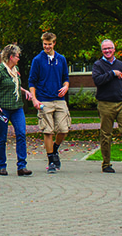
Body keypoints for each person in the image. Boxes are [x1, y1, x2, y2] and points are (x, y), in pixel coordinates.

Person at [92, 39, 122, 174]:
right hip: (105, 104)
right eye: (104, 49)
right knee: (106, 135)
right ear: (102, 51)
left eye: (110, 48)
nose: (107, 51)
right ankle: (106, 164)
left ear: (114, 49)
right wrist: (112, 73)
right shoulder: (98, 65)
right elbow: (97, 81)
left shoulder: (121, 65)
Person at [28, 31, 71, 173]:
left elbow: (66, 77)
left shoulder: (61, 59)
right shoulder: (37, 60)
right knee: (48, 131)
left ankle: (55, 149)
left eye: (49, 44)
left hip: (59, 100)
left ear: (54, 43)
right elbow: (32, 81)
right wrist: (34, 98)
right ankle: (51, 160)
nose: (47, 47)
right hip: (44, 100)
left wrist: (66, 86)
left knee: (64, 129)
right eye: (45, 44)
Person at [0, 43, 33, 176]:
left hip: (17, 108)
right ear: (10, 57)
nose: (19, 58)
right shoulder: (0, 70)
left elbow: (14, 85)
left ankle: (22, 166)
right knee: (2, 138)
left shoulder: (15, 70)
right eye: (17, 56)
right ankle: (2, 165)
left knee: (21, 133)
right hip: (3, 109)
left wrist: (25, 91)